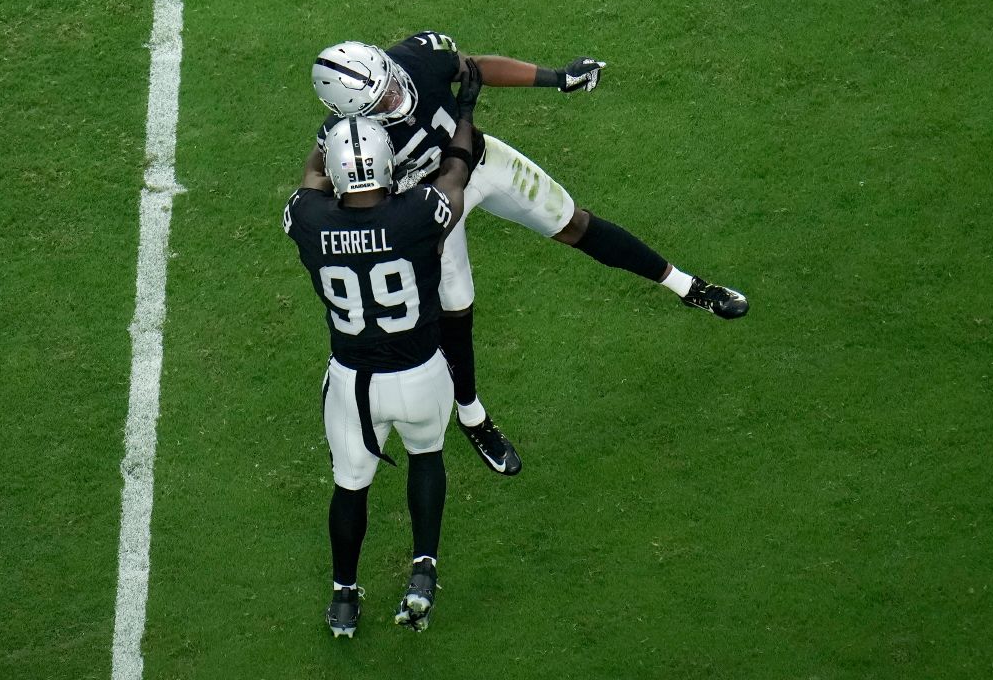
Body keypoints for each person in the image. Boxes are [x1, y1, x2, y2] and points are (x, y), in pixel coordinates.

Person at [307, 32, 749, 475]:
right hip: (433, 207)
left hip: (479, 162)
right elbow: (320, 185)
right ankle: (472, 415)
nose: (396, 97)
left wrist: (557, 77)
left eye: (391, 83)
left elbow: (474, 66)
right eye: (381, 101)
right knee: (456, 309)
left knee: (574, 222)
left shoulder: (416, 58)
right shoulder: (344, 141)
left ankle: (688, 286)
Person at [284, 60, 487, 637]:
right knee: (428, 458)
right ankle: (424, 570)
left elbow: (310, 182)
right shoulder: (419, 214)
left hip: (353, 383)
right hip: (422, 373)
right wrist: (466, 110)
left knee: (351, 484)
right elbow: (456, 168)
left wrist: (328, 136)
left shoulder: (307, 219)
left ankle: (344, 596)